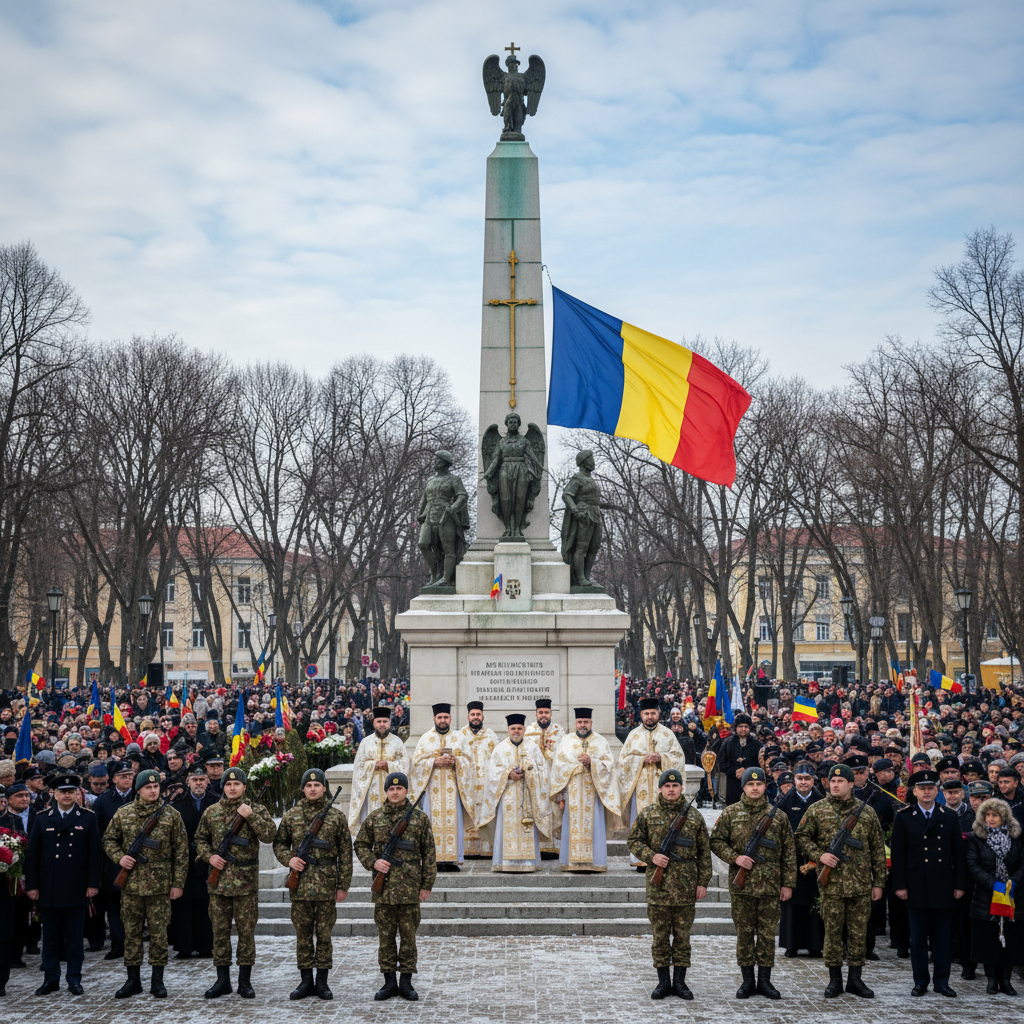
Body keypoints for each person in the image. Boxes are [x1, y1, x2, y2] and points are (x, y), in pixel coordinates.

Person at [795, 763, 886, 999]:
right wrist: (819, 855)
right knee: (833, 933)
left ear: (851, 784)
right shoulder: (817, 809)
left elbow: (877, 849)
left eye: (840, 781)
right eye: (832, 781)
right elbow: (801, 837)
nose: (834, 785)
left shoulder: (866, 812)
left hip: (860, 884)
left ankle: (855, 979)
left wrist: (878, 883)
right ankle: (834, 979)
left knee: (858, 934)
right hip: (832, 885)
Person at [101, 768, 189, 999]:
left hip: (160, 888)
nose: (152, 790)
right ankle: (133, 980)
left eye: (155, 786)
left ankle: (157, 981)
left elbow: (181, 852)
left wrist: (177, 884)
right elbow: (108, 839)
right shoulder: (124, 813)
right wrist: (120, 857)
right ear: (138, 790)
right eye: (147, 787)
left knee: (159, 935)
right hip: (131, 887)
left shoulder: (171, 815)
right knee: (131, 934)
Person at [710, 766, 796, 999]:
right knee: (745, 935)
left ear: (765, 786)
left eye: (759, 784)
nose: (755, 788)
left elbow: (789, 852)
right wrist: (735, 858)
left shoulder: (778, 816)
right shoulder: (730, 813)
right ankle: (747, 981)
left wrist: (787, 884)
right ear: (744, 787)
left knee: (767, 936)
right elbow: (716, 841)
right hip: (742, 888)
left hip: (770, 887)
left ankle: (765, 982)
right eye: (750, 784)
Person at [194, 765, 277, 999]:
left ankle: (245, 981)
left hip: (245, 886)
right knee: (220, 933)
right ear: (223, 787)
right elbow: (199, 839)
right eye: (228, 784)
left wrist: (250, 816)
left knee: (246, 934)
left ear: (244, 787)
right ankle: (222, 981)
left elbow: (270, 835)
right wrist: (209, 856)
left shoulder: (256, 809)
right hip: (218, 885)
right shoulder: (211, 811)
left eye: (236, 784)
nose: (232, 788)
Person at [627, 768, 711, 1000]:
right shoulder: (648, 814)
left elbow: (704, 852)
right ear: (661, 789)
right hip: (659, 888)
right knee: (660, 937)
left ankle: (680, 983)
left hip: (685, 887)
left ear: (681, 788)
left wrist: (702, 882)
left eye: (675, 786)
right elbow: (633, 841)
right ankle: (663, 983)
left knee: (683, 937)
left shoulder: (694, 817)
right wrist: (651, 856)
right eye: (667, 786)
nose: (671, 789)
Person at [354, 771, 436, 1001]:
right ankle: (389, 982)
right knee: (386, 938)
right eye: (391, 789)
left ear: (406, 791)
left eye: (399, 789)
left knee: (409, 938)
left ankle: (407, 983)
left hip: (410, 890)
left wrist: (426, 885)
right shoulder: (375, 817)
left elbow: (429, 853)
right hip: (384, 891)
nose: (395, 792)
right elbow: (360, 845)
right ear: (386, 791)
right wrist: (373, 862)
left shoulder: (419, 819)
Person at [273, 767, 353, 1000]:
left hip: (327, 887)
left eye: (317, 785)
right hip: (300, 888)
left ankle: (322, 982)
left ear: (324, 788)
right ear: (302, 789)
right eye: (308, 785)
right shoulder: (291, 815)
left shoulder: (336, 817)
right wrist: (290, 859)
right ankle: (305, 981)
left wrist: (342, 886)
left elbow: (346, 854)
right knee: (303, 936)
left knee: (325, 936)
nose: (313, 789)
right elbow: (279, 844)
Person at [890, 768, 967, 997]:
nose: (926, 792)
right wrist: (900, 885)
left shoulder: (949, 815)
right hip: (916, 884)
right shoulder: (904, 817)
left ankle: (942, 982)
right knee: (918, 940)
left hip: (943, 883)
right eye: (922, 788)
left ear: (937, 790)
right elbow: (898, 855)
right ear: (914, 791)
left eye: (931, 788)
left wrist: (960, 884)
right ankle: (920, 981)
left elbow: (958, 854)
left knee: (942, 939)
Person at [24, 772, 102, 996]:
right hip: (49, 886)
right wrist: (32, 885)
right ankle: (51, 979)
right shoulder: (42, 818)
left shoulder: (87, 817)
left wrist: (92, 883)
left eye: (71, 791)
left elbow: (94, 854)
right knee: (50, 937)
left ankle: (74, 979)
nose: (67, 795)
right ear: (53, 793)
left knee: (75, 938)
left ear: (77, 793)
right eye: (62, 791)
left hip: (76, 885)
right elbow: (33, 855)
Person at [549, 708, 621, 872]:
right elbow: (558, 769)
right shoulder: (566, 741)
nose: (582, 725)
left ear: (591, 723)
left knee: (594, 827)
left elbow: (610, 767)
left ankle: (595, 862)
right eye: (580, 722)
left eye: (586, 722)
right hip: (571, 795)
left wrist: (592, 763)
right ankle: (571, 862)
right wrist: (561, 797)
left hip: (594, 795)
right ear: (575, 723)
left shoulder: (601, 741)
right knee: (570, 827)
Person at [965, 797, 1024, 995]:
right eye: (988, 815)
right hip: (985, 896)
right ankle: (991, 979)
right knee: (989, 939)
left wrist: (1013, 881)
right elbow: (973, 865)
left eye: (995, 815)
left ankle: (1006, 980)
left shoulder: (1016, 837)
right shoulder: (976, 838)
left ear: (1004, 817)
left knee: (1010, 938)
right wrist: (993, 884)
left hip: (1012, 896)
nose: (991, 819)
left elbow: (1023, 862)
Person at [617, 698, 685, 869]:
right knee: (641, 823)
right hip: (640, 788)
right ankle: (641, 860)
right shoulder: (634, 735)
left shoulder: (667, 734)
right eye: (646, 714)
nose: (649, 717)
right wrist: (641, 760)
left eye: (652, 713)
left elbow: (678, 758)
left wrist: (662, 757)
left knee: (663, 823)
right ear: (641, 715)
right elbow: (623, 761)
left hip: (661, 789)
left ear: (658, 714)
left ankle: (663, 858)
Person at [477, 714, 550, 872]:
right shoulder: (500, 748)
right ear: (508, 730)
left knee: (528, 829)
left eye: (519, 728)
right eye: (513, 729)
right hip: (507, 797)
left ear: (524, 730)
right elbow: (492, 774)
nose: (516, 731)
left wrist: (529, 771)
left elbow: (543, 772)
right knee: (505, 829)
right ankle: (504, 863)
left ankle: (529, 863)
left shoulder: (533, 748)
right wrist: (508, 773)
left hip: (527, 797)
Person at [410, 703, 473, 871]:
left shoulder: (459, 738)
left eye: (446, 717)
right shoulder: (425, 738)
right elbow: (415, 764)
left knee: (454, 823)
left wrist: (456, 761)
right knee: (432, 824)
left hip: (453, 790)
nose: (443, 720)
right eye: (440, 717)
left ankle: (452, 860)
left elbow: (469, 762)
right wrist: (434, 762)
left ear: (450, 718)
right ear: (434, 719)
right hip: (433, 791)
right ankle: (433, 860)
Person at [169, 762, 217, 959]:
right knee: (184, 904)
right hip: (185, 862)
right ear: (187, 782)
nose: (198, 783)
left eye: (202, 780)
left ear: (207, 782)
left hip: (208, 862)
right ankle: (185, 946)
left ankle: (206, 945)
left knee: (206, 904)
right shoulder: (177, 805)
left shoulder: (216, 803)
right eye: (194, 780)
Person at [777, 762, 824, 957]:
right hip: (792, 859)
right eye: (799, 778)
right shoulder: (784, 803)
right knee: (792, 903)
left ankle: (815, 945)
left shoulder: (822, 801)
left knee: (815, 901)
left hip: (816, 859)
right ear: (794, 779)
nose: (803, 782)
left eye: (807, 779)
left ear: (814, 781)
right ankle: (792, 944)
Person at [348, 707, 409, 834]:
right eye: (379, 721)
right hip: (372, 792)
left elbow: (405, 765)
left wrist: (388, 765)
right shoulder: (366, 742)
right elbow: (358, 767)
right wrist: (372, 765)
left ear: (389, 723)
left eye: (385, 721)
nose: (382, 724)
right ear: (374, 723)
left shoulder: (397, 742)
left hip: (393, 791)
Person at [456, 701, 498, 857]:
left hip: (486, 785)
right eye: (473, 714)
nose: (475, 717)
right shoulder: (459, 736)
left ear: (482, 716)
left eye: (478, 714)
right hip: (467, 784)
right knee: (468, 813)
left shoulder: (491, 735)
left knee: (485, 814)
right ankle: (468, 849)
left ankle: (487, 849)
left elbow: (497, 759)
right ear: (468, 716)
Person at [524, 698, 564, 856]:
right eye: (540, 712)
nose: (543, 715)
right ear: (536, 713)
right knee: (537, 811)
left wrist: (549, 751)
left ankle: (554, 848)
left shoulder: (559, 731)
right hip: (536, 781)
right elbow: (524, 754)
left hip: (554, 781)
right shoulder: (528, 731)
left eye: (546, 712)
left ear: (550, 713)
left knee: (553, 812)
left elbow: (564, 756)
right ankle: (537, 848)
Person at [718, 714, 762, 805]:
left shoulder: (756, 744)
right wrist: (735, 771)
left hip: (751, 783)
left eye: (746, 726)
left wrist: (746, 771)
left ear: (749, 728)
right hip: (732, 784)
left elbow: (759, 764)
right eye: (740, 726)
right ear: (736, 728)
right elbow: (721, 763)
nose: (743, 729)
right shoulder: (727, 743)